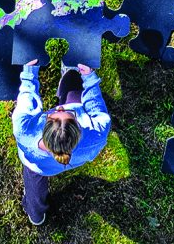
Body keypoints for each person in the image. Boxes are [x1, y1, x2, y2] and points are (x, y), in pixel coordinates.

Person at [12, 59, 111, 225]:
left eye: (56, 113)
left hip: (38, 166)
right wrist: (90, 79)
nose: (60, 108)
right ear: (79, 127)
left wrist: (29, 74)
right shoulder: (97, 135)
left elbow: (27, 97)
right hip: (76, 159)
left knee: (34, 186)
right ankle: (71, 70)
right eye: (69, 113)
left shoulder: (24, 131)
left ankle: (36, 215)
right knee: (73, 84)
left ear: (44, 127)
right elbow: (96, 109)